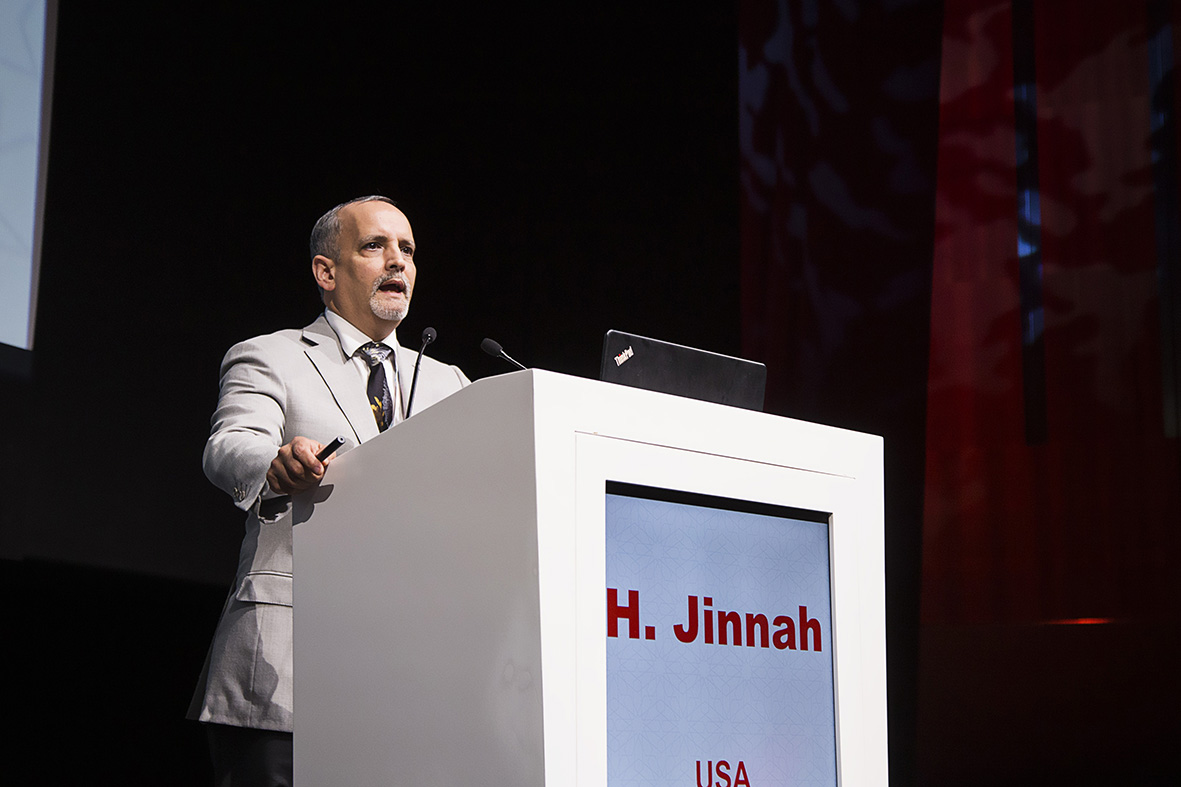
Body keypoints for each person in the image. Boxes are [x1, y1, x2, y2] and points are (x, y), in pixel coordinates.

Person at [188, 196, 470, 785]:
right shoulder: (272, 356)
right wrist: (274, 465)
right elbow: (228, 445)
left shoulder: (449, 384)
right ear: (326, 271)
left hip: (412, 682)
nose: (397, 261)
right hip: (288, 669)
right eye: (375, 246)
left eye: (407, 249)